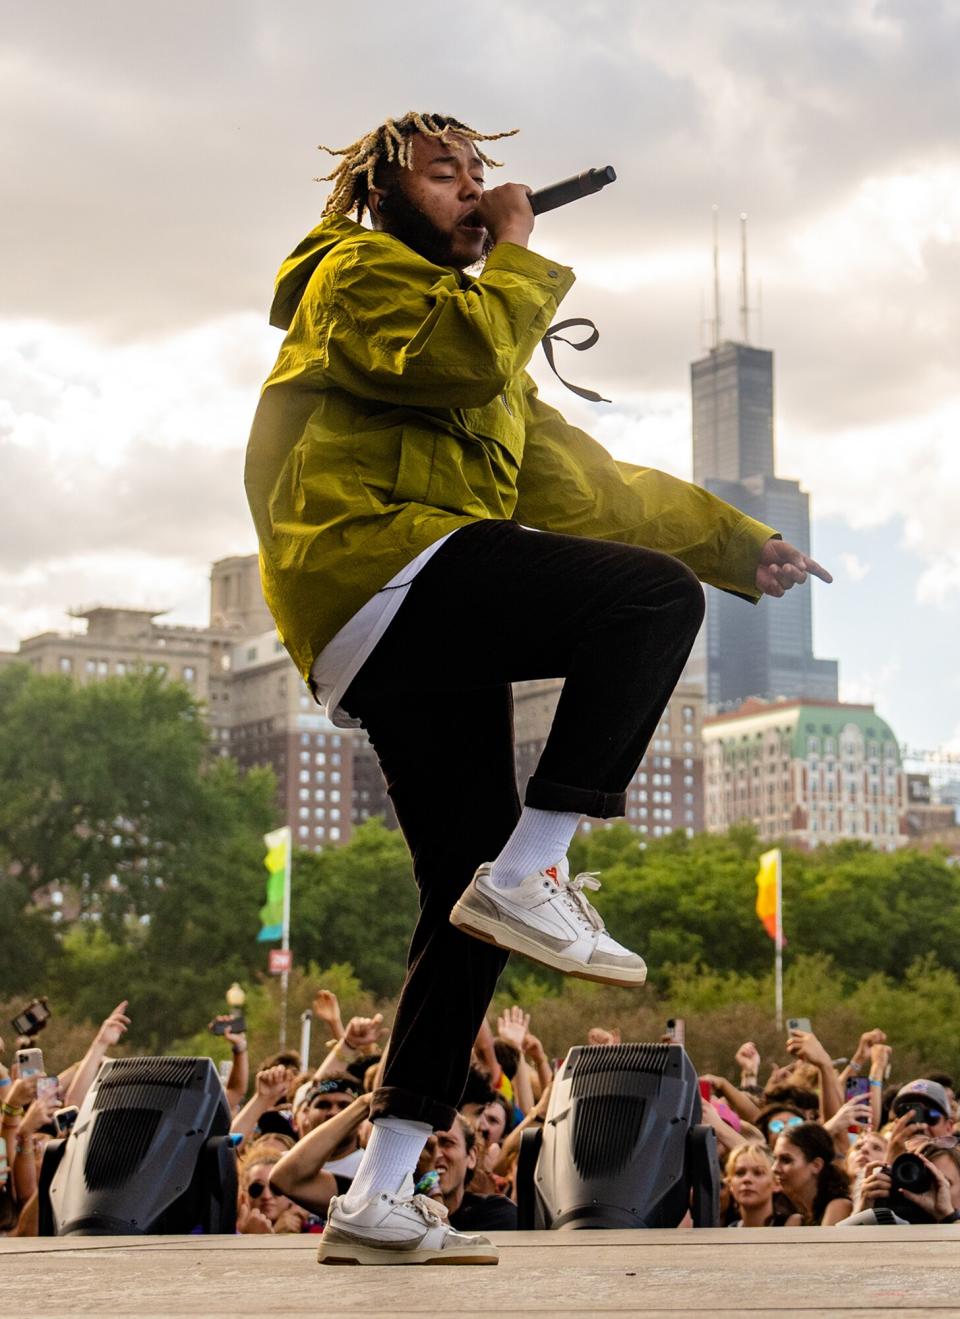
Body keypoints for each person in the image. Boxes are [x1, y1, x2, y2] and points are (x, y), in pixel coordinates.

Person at [244, 109, 831, 1266]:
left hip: (404, 623)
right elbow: (457, 351)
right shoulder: (352, 273)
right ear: (385, 195)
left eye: (483, 173)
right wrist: (514, 251)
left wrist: (734, 541)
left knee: (457, 906)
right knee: (651, 603)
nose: (474, 189)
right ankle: (538, 867)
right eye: (444, 174)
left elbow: (597, 492)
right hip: (373, 558)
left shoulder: (492, 365)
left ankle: (384, 1185)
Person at [771, 1121, 853, 1225]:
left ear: (816, 1165)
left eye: (786, 1160)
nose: (774, 1168)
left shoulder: (839, 1206)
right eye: (775, 1159)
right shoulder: (798, 1218)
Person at [724, 1143, 796, 1227]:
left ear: (776, 1183)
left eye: (758, 1173)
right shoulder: (728, 1232)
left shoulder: (793, 1225)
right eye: (740, 1173)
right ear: (730, 1183)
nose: (747, 1179)